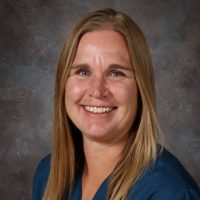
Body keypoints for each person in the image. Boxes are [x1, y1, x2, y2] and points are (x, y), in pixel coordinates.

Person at [32, 8, 200, 200]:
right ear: (63, 83)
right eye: (83, 72)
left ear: (140, 88)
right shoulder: (48, 174)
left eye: (116, 73)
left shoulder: (169, 192)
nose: (97, 91)